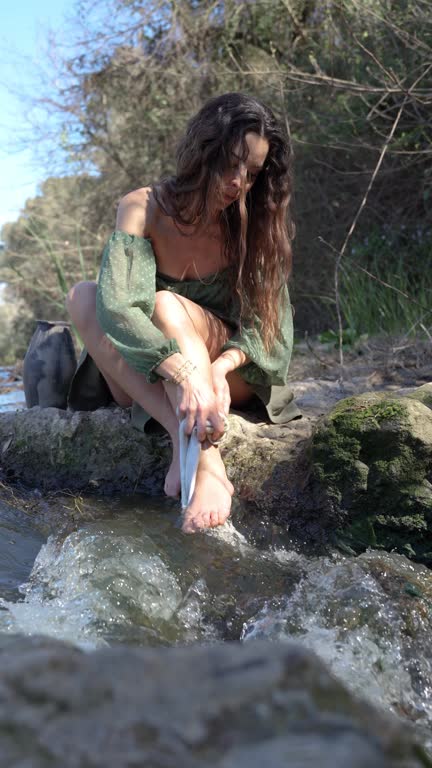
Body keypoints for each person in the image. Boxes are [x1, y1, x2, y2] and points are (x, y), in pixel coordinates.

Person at [66, 92, 299, 534]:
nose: (237, 183)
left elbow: (274, 332)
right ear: (203, 153)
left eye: (251, 174)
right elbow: (117, 307)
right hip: (156, 378)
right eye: (229, 165)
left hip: (227, 378)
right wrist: (179, 371)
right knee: (82, 295)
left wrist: (215, 367)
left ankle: (207, 465)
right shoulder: (143, 207)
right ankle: (183, 436)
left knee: (163, 302)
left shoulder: (255, 219)